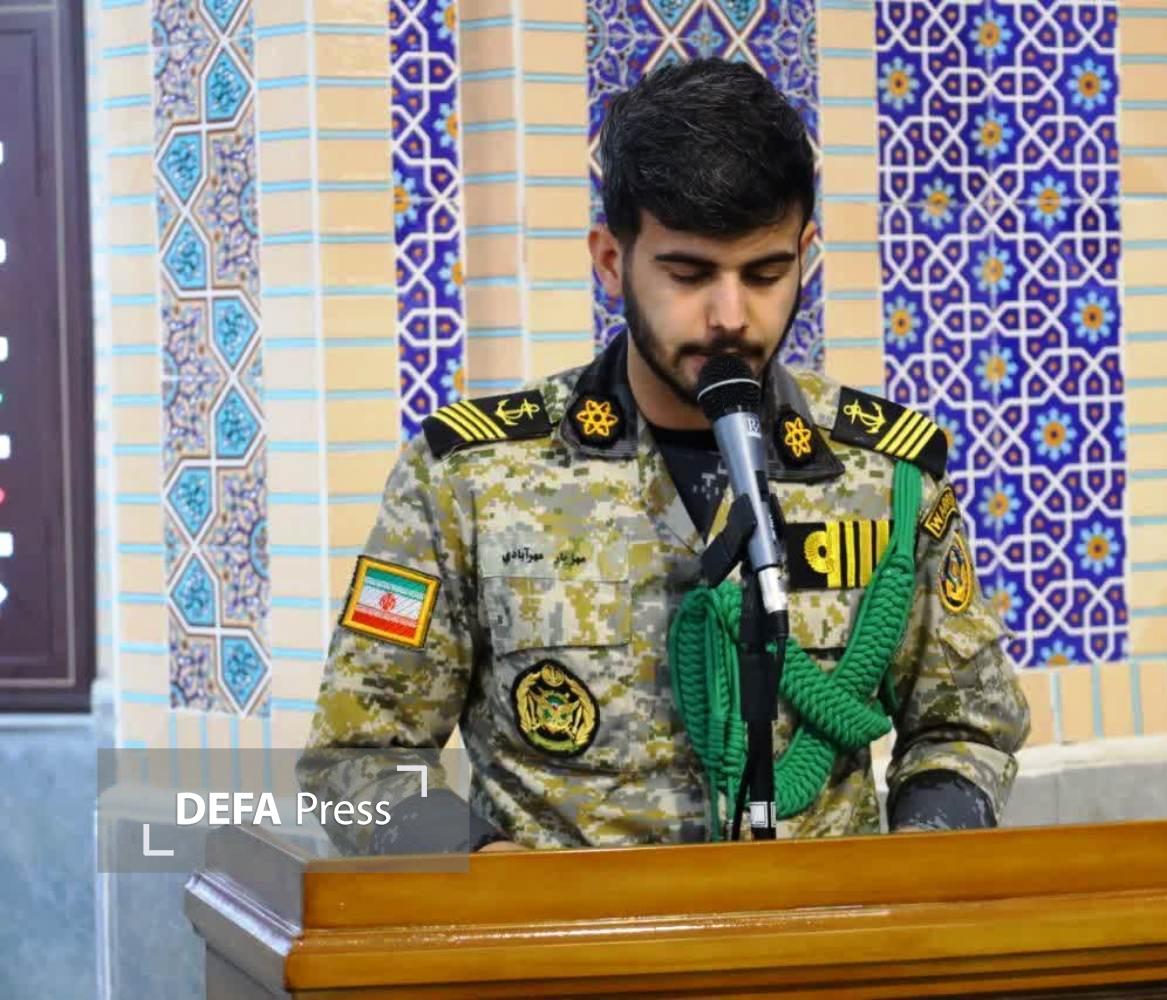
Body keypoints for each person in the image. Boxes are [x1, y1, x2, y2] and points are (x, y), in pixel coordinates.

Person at [299, 58, 1029, 853]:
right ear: (612, 261)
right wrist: (491, 873)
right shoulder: (468, 479)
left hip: (819, 926)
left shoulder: (885, 476)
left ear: (805, 254)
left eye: (766, 273)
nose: (730, 316)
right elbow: (357, 759)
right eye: (688, 274)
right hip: (565, 928)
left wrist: (925, 849)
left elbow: (966, 725)